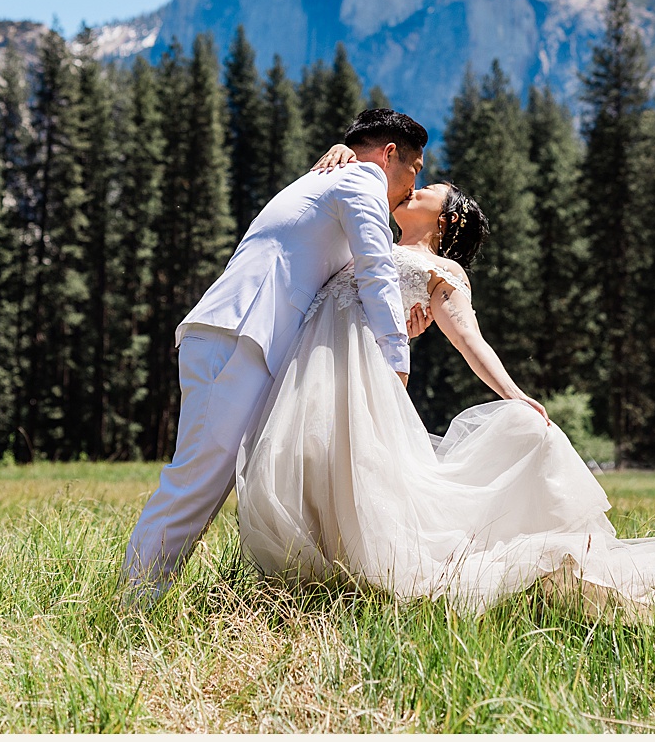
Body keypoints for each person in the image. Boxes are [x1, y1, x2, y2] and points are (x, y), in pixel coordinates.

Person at [232, 176, 655, 621]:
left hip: (361, 385)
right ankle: (319, 584)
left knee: (366, 480)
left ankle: (361, 585)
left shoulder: (442, 272)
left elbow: (470, 340)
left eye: (430, 189)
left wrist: (516, 395)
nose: (414, 187)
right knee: (313, 465)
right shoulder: (367, 243)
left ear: (447, 219)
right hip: (318, 376)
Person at [121, 109, 430, 604]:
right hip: (238, 335)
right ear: (390, 155)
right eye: (415, 169)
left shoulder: (331, 179)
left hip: (242, 338)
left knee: (214, 481)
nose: (413, 188)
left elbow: (345, 271)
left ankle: (146, 598)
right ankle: (131, 607)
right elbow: (374, 267)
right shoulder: (361, 180)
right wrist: (396, 359)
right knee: (197, 482)